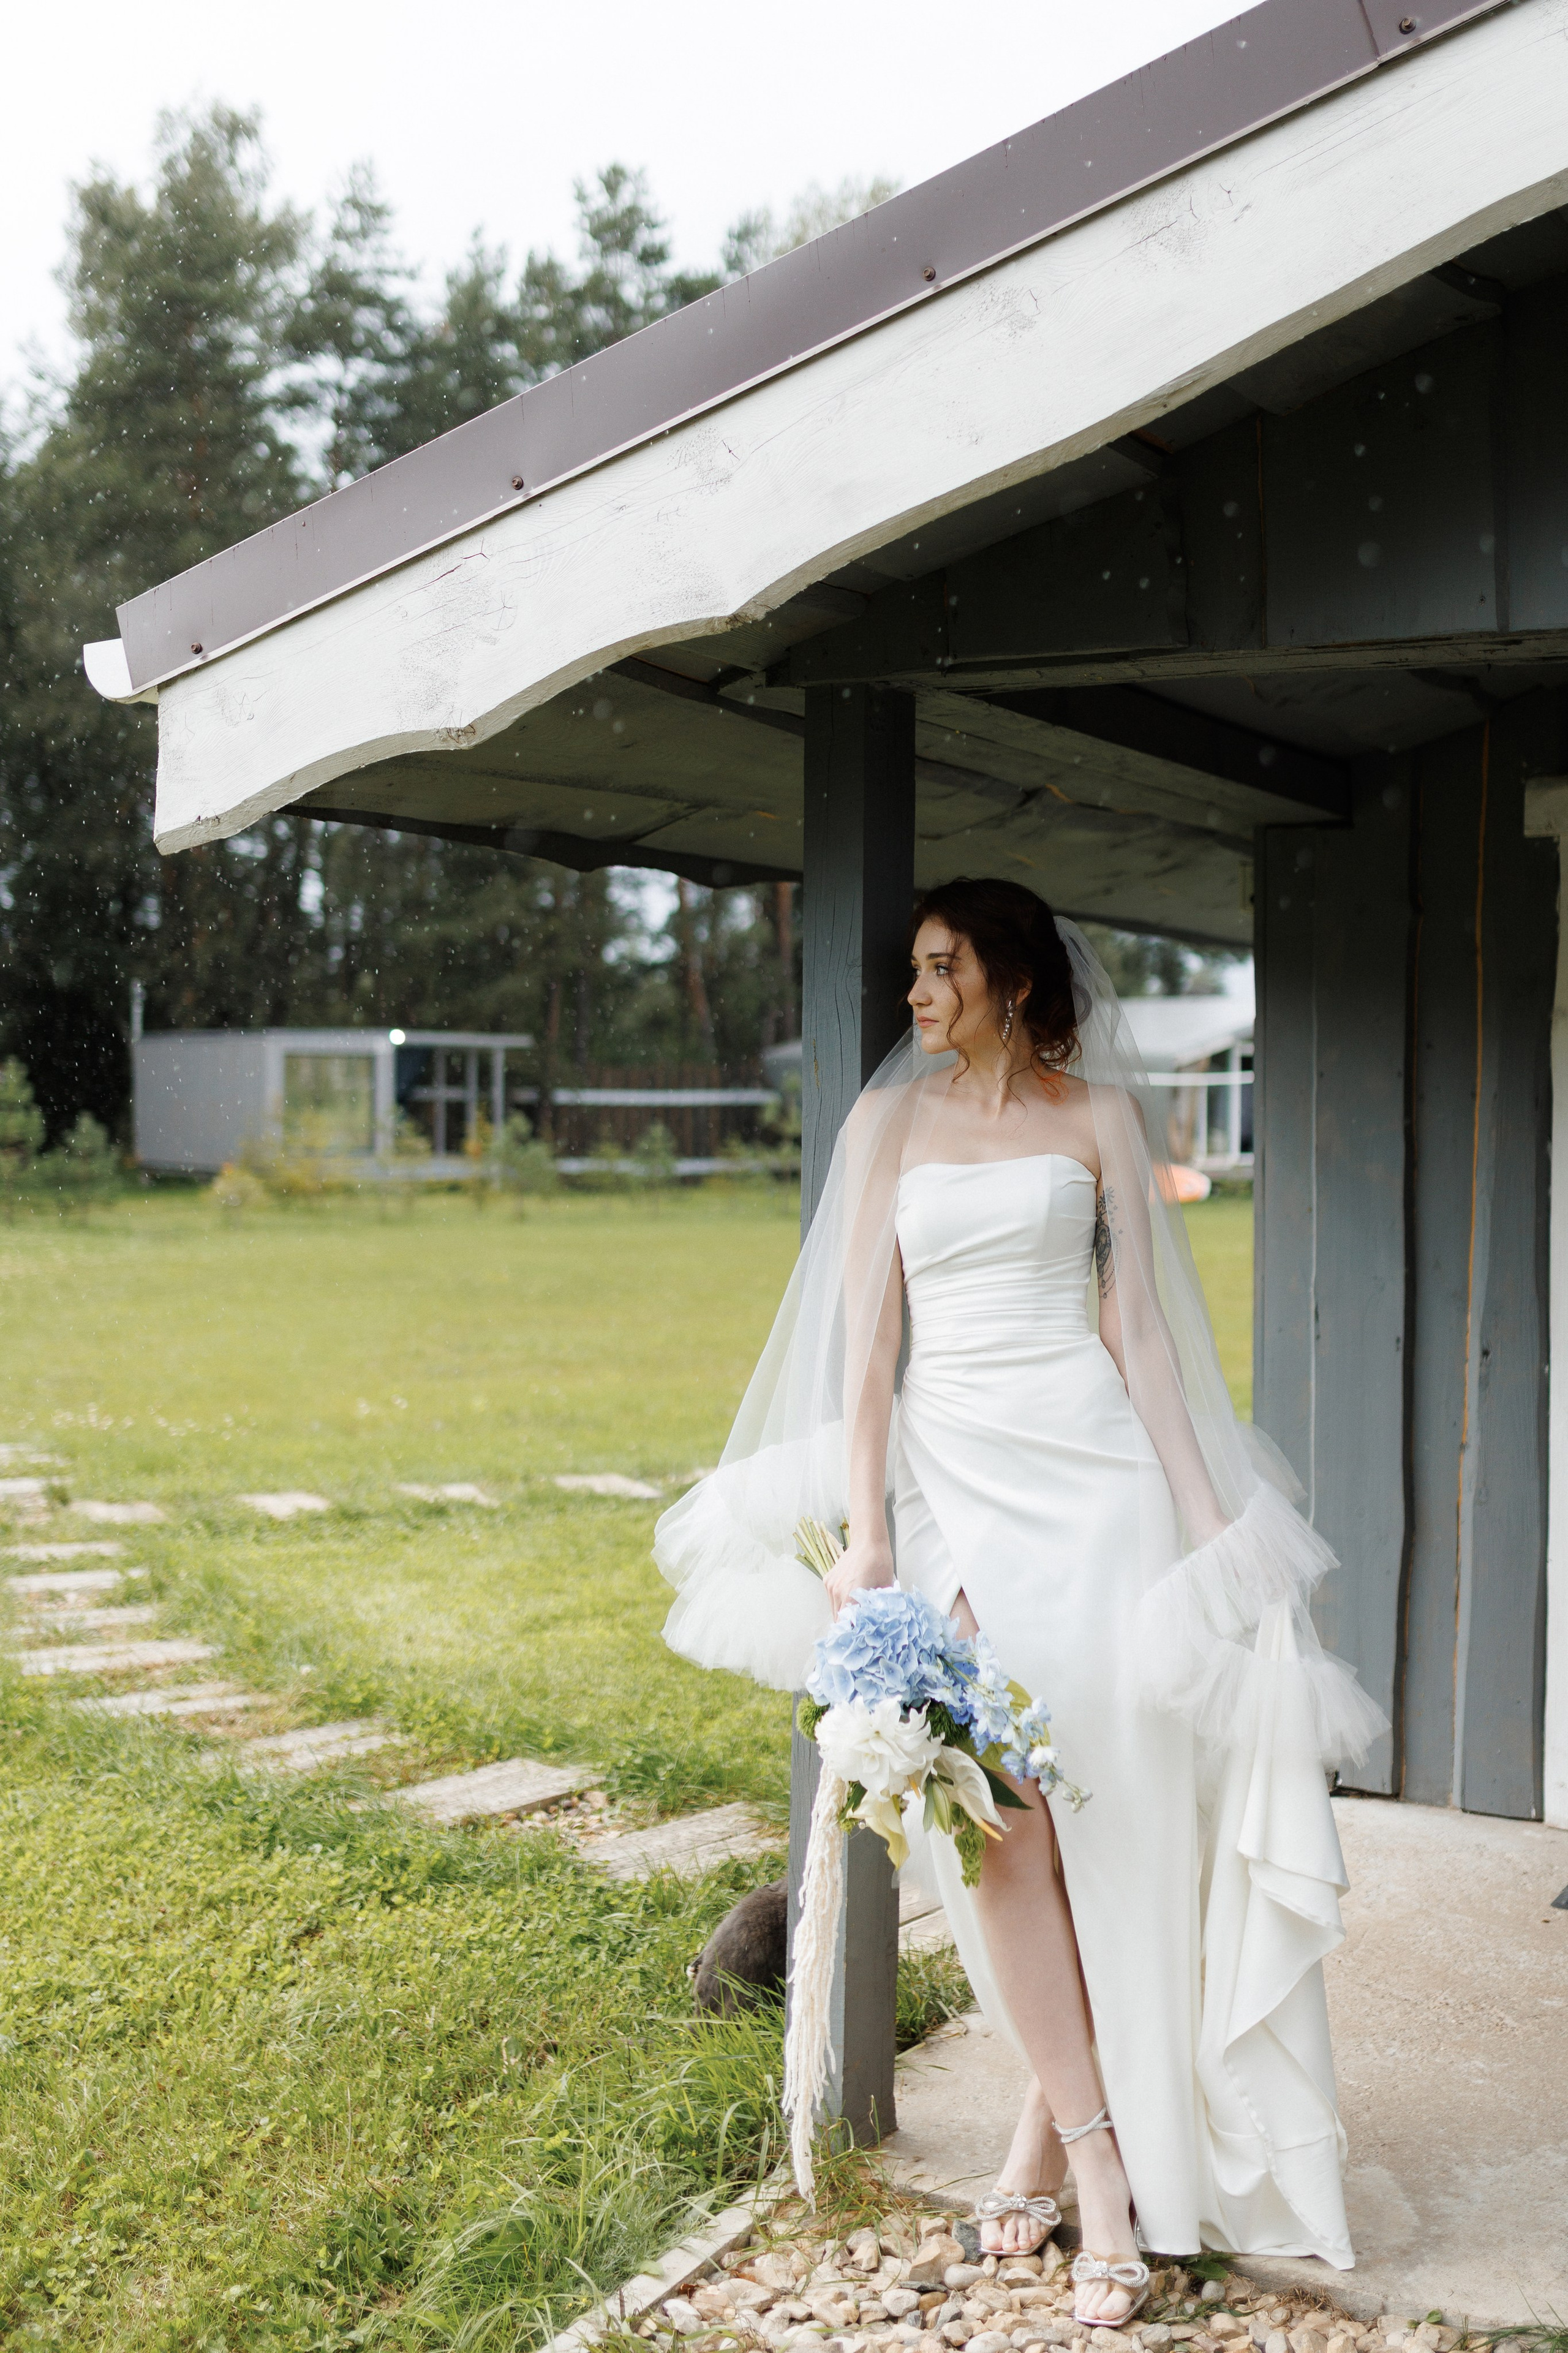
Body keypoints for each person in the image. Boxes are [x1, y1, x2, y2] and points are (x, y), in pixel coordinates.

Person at [655, 878, 1383, 2327]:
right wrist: (868, 1536)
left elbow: (1142, 1345)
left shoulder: (1094, 1116)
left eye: (940, 969)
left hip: (1099, 1483)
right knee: (1001, 1827)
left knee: (1113, 1817)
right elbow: (868, 1349)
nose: (917, 996)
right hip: (954, 1488)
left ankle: (1038, 2137)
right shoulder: (887, 1125)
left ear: (1009, 978)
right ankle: (1100, 2168)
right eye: (914, 972)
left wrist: (1211, 1532)